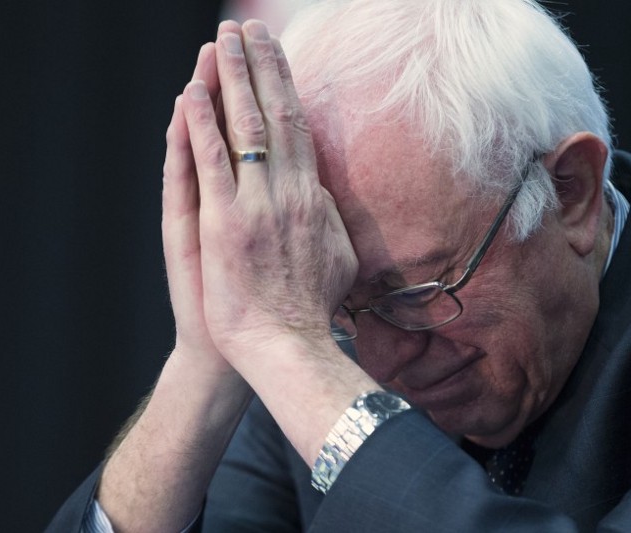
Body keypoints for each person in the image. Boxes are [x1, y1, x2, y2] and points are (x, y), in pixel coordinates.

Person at [48, 0, 631, 530]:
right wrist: (208, 354)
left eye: (414, 292)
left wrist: (290, 349)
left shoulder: (304, 359)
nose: (377, 362)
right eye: (340, 312)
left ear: (570, 191)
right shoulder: (310, 345)